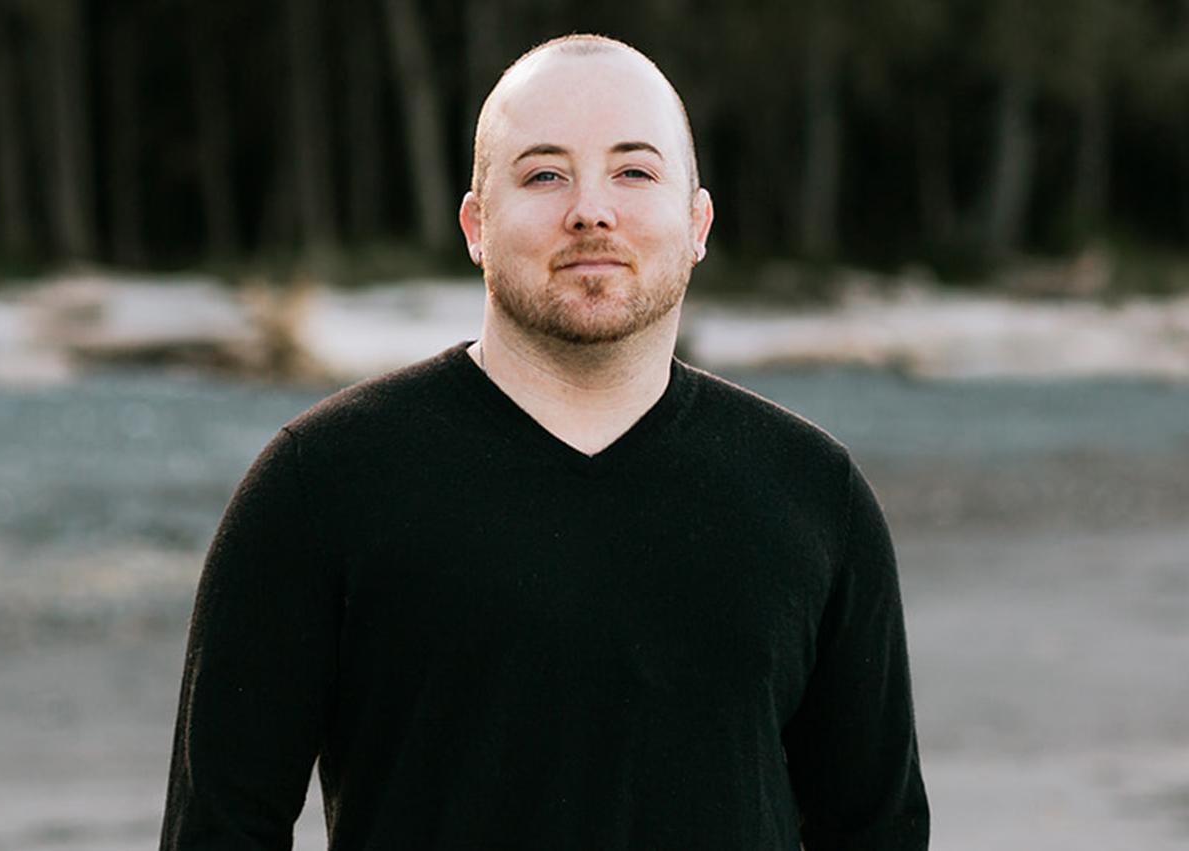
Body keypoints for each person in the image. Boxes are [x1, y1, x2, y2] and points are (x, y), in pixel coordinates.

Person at [160, 34, 929, 850]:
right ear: (476, 225)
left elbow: (877, 831)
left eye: (634, 172)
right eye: (544, 175)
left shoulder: (813, 494)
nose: (591, 211)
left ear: (697, 222)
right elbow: (220, 830)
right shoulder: (320, 483)